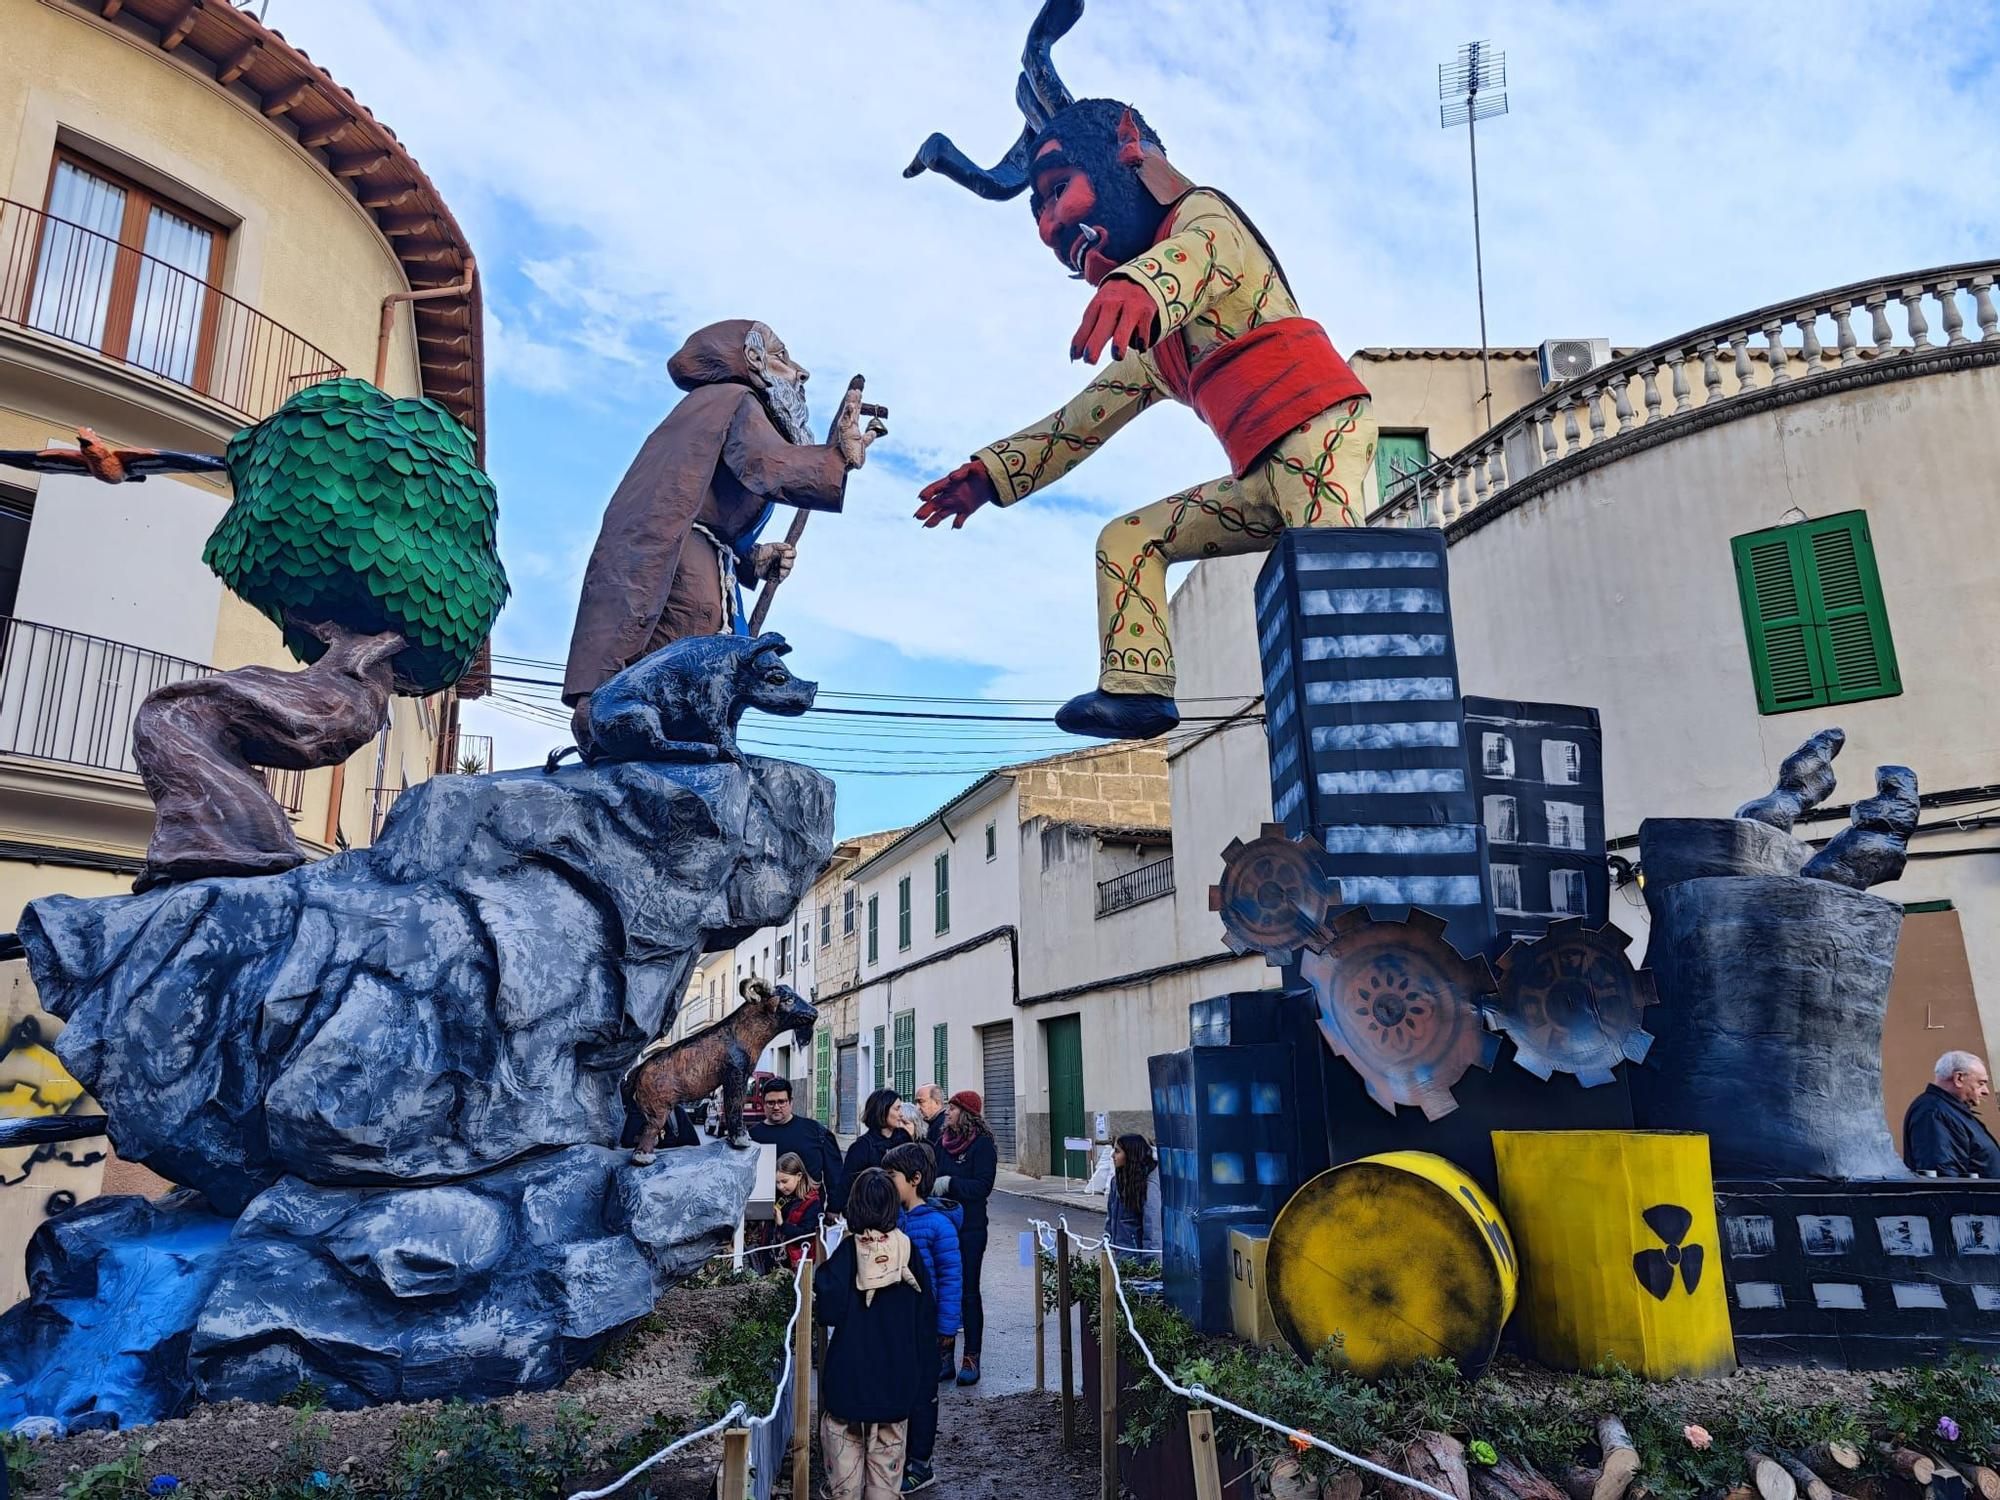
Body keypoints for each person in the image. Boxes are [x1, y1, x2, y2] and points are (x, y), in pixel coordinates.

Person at [907, 4, 1375, 741]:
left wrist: (1144, 285)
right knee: (1129, 540)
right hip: (1261, 471)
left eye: (1057, 190)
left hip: (1319, 436)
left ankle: (1367, 719)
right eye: (1036, 210)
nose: (1048, 227)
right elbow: (1077, 425)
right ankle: (1138, 690)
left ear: (1125, 163)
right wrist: (991, 477)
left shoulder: (1201, 215)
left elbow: (1206, 251)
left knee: (1333, 607)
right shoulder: (1153, 349)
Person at [562, 319, 887, 738]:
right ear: (753, 360)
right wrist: (835, 459)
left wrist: (751, 562)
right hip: (684, 577)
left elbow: (712, 510)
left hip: (702, 562)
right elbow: (767, 465)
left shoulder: (714, 407)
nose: (800, 372)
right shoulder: (733, 400)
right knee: (687, 685)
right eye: (781, 357)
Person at [817, 1167, 933, 1499]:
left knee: (845, 1485)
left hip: (849, 1384)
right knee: (885, 1484)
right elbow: (925, 1318)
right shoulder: (909, 1252)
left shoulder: (846, 1254)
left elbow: (828, 1312)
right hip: (896, 1386)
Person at [884, 1142, 962, 1493]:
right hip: (900, 1325)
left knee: (923, 1397)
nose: (888, 1181)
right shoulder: (893, 1218)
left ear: (914, 1179)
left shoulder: (938, 1226)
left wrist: (947, 1326)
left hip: (927, 1326)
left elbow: (951, 1279)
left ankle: (921, 1463)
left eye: (893, 1176)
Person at [933, 1089, 998, 1386]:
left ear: (966, 1113)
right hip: (942, 1228)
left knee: (968, 1293)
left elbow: (982, 1187)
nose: (947, 1113)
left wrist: (950, 1184)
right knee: (944, 1293)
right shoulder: (941, 1143)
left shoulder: (983, 1146)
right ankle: (944, 1357)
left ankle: (971, 1356)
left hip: (971, 1229)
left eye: (953, 1109)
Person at [751, 1076, 847, 1211]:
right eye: (770, 1103)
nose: (776, 1107)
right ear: (763, 1103)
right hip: (764, 1215)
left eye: (781, 1102)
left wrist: (834, 1209)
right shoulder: (752, 1137)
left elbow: (835, 1175)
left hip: (808, 1215)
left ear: (791, 1102)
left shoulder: (815, 1132)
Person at [1904, 1051, 2000, 1177]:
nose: (1986, 1091)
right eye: (1980, 1083)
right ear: (1958, 1078)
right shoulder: (1935, 1113)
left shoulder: (1946, 1111)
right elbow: (1944, 1177)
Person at [1104, 1133, 1163, 1260]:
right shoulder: (1117, 1181)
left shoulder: (1149, 1184)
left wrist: (1151, 1265)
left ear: (1130, 1154)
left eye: (1117, 1151)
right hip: (1119, 1256)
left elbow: (1152, 1227)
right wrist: (1106, 1247)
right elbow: (1110, 1220)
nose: (1113, 1155)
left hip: (1136, 1261)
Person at [843, 1088, 914, 1189]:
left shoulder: (904, 1137)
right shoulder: (862, 1147)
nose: (901, 1114)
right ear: (882, 1110)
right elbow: (846, 1186)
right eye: (897, 1109)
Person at [775, 1152, 824, 1269]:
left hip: (799, 1264)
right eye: (777, 1182)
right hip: (783, 1260)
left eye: (784, 1181)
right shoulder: (784, 1196)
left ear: (799, 1176)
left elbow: (806, 1235)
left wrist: (782, 1224)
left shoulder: (813, 1203)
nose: (780, 1187)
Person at [913, 1083, 948, 1147]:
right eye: (916, 1102)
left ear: (937, 1102)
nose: (917, 1107)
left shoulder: (943, 1125)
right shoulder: (935, 1122)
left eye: (921, 1102)